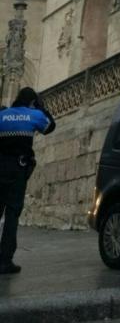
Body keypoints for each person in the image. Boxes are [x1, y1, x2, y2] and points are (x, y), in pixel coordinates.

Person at [0, 87, 56, 274]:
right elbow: (50, 126)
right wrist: (42, 108)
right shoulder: (33, 115)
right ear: (32, 102)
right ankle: (5, 260)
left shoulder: (3, 114)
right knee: (12, 215)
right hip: (18, 169)